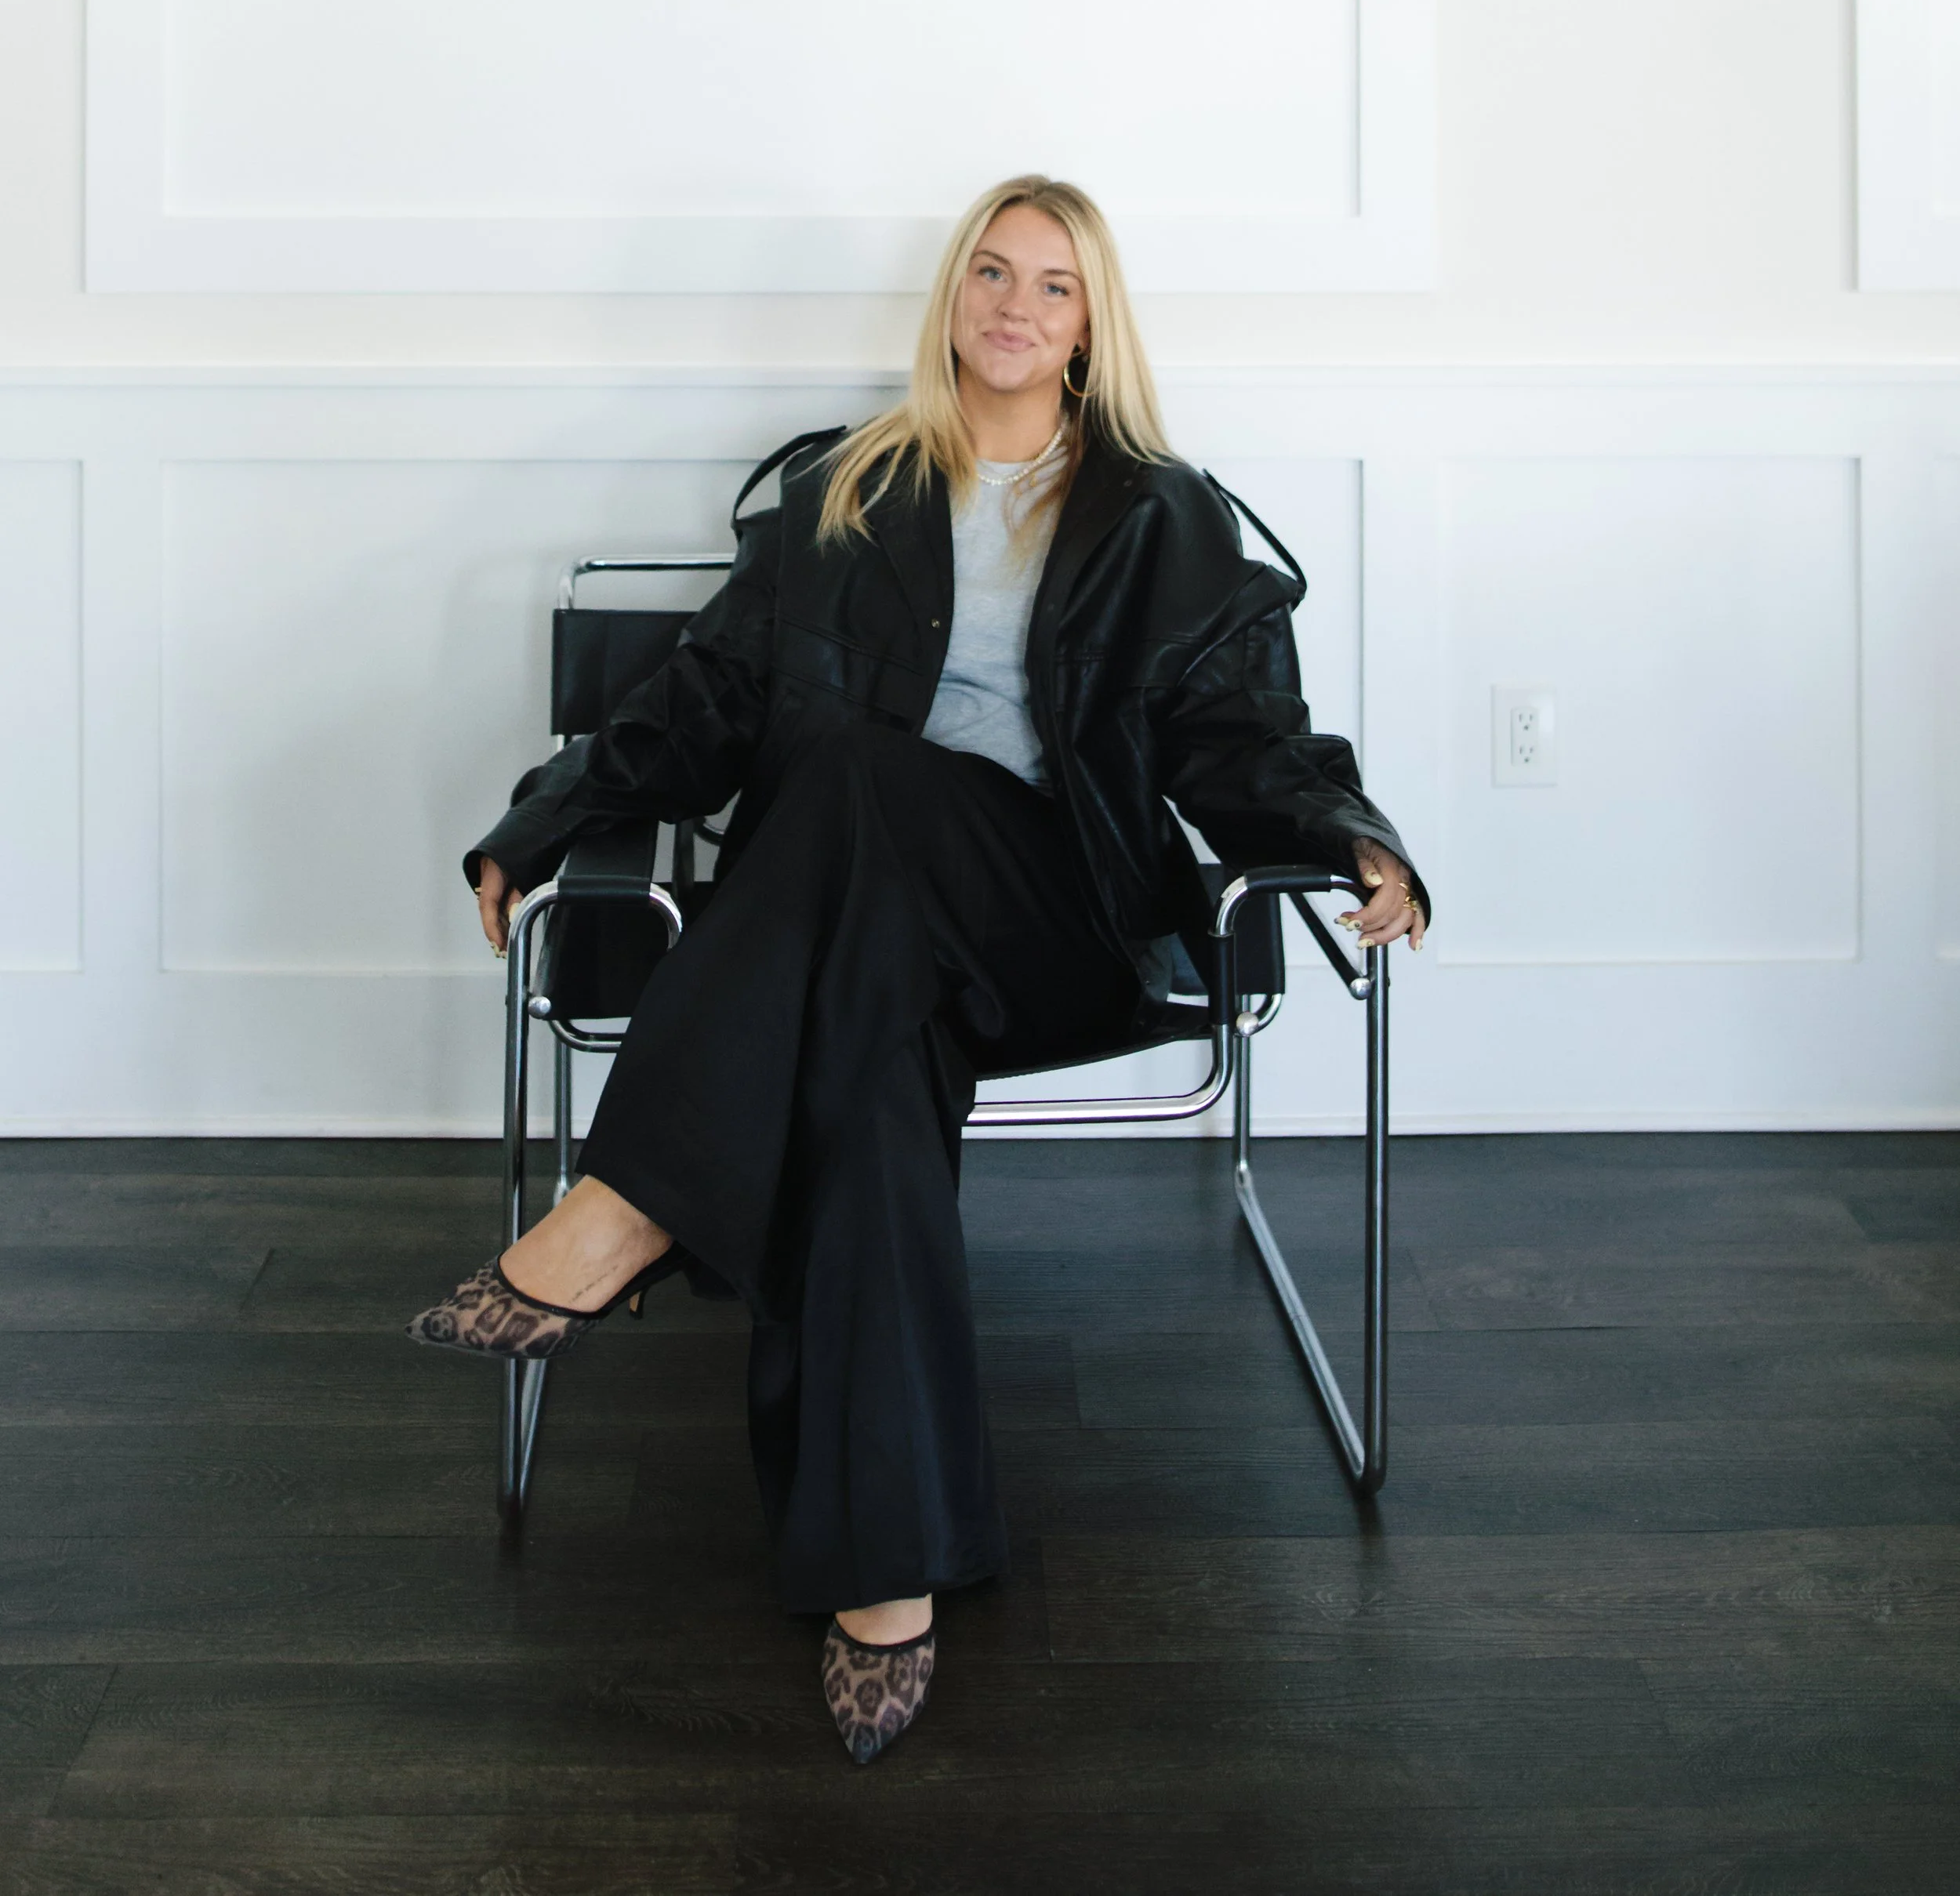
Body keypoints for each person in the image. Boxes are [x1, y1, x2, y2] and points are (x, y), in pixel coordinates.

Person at [408, 175, 1428, 1763]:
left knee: (859, 780)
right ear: (951, 298)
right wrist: (541, 825)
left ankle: (631, 1204)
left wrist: (1348, 833)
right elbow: (705, 697)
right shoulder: (847, 487)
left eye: (1053, 287)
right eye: (991, 274)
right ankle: (887, 1562)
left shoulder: (1160, 518)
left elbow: (1237, 735)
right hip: (850, 936)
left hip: (1055, 923)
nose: (1015, 307)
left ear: (1089, 329)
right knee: (868, 1078)